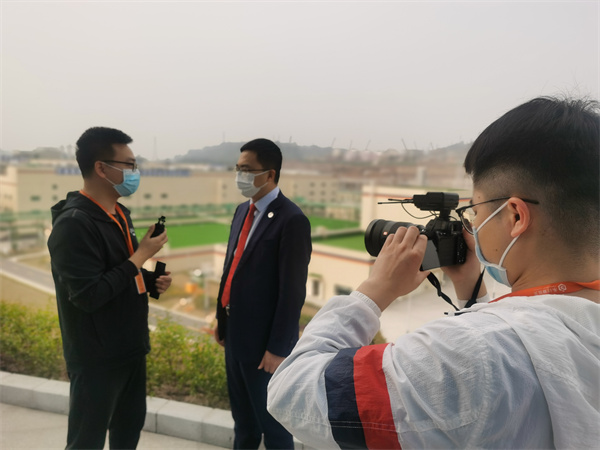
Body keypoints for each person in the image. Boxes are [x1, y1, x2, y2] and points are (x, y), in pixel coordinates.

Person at [267, 97, 600, 449]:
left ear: (515, 216)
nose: (472, 226)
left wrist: (374, 291)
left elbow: (293, 392)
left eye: (475, 212)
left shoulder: (468, 354)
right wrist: (471, 290)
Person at [47, 127, 172, 449]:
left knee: (128, 433)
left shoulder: (119, 214)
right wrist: (141, 255)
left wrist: (150, 280)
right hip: (96, 359)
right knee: (86, 441)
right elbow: (89, 295)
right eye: (128, 165)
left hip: (130, 348)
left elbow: (117, 272)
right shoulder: (74, 224)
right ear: (101, 168)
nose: (135, 172)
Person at [213, 138, 312, 449]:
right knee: (243, 423)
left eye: (247, 169)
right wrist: (222, 319)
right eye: (238, 168)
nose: (239, 176)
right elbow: (232, 269)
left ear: (269, 174)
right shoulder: (243, 211)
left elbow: (292, 291)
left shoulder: (292, 220)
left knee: (274, 428)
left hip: (264, 346)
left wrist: (278, 348)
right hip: (235, 335)